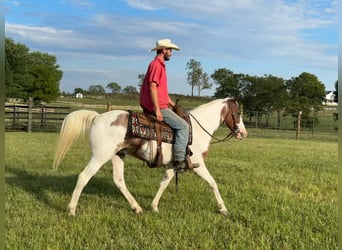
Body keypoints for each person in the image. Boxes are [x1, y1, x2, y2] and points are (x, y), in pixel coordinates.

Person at [140, 39, 189, 172]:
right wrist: (157, 110)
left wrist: (173, 105)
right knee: (184, 126)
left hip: (162, 105)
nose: (171, 53)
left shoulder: (160, 65)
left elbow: (163, 93)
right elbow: (152, 87)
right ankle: (179, 160)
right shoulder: (156, 65)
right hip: (158, 107)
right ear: (164, 50)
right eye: (170, 50)